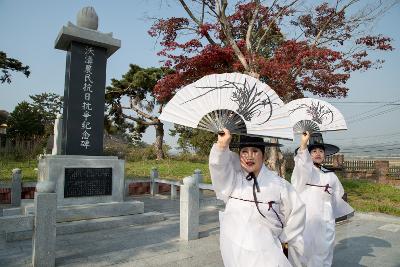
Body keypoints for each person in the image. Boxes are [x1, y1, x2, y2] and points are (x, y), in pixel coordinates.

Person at [209, 128, 306, 267]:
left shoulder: (279, 185)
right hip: (235, 250)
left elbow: (297, 214)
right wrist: (222, 146)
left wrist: (283, 238)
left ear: (264, 155)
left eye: (255, 151)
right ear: (238, 155)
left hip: (267, 252)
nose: (249, 156)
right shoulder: (232, 181)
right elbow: (219, 168)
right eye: (244, 152)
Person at [291, 131, 354, 267]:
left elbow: (338, 195)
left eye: (321, 150)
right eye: (313, 151)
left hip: (325, 223)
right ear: (308, 154)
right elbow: (302, 165)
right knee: (303, 252)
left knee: (324, 252)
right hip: (306, 221)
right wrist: (303, 145)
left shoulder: (330, 175)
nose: (318, 153)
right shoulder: (304, 172)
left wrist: (328, 210)